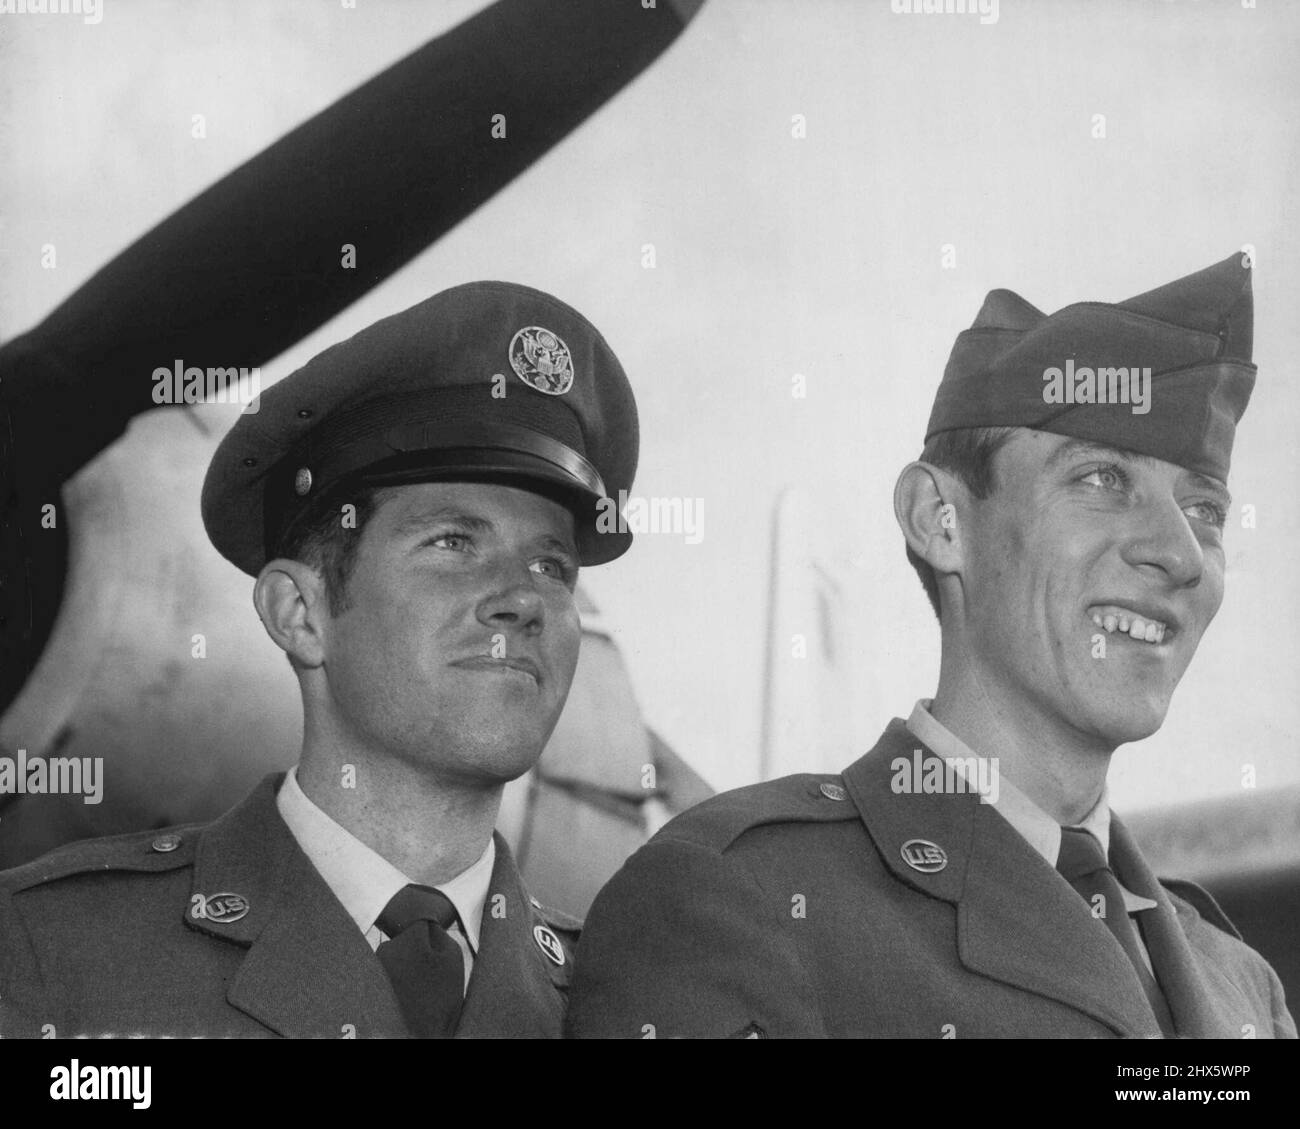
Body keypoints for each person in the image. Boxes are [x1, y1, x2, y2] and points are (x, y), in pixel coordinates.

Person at [565, 253, 1296, 1039]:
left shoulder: (1242, 985)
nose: (1181, 554)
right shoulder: (737, 899)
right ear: (939, 519)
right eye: (1102, 480)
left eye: (1206, 509)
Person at [0, 280, 638, 1039]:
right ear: (298, 614)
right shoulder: (45, 958)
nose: (522, 599)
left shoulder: (635, 1005)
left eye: (552, 567)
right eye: (451, 543)